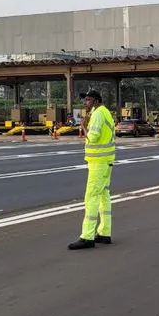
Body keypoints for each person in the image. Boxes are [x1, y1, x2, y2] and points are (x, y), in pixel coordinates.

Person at [68, 89, 117, 250]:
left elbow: (93, 137)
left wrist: (83, 126)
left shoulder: (97, 114)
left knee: (91, 197)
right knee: (104, 196)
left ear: (96, 101)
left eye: (87, 100)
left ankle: (87, 236)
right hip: (105, 161)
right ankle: (104, 232)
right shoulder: (105, 112)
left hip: (99, 162)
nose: (85, 103)